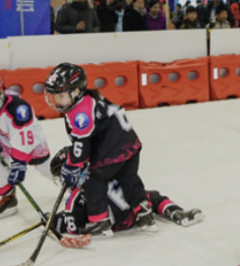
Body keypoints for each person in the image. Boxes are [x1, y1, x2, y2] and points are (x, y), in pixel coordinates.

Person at [44, 63, 153, 237]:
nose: (57, 100)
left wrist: (71, 167)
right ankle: (143, 210)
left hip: (113, 149)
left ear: (76, 91)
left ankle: (99, 220)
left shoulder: (80, 113)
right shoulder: (90, 99)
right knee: (128, 177)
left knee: (92, 178)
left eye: (61, 95)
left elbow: (82, 146)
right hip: (131, 145)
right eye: (55, 95)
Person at [49, 148, 204, 235]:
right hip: (135, 213)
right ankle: (176, 212)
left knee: (76, 214)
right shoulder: (109, 171)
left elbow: (73, 226)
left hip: (115, 225)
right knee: (153, 197)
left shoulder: (75, 199)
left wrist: (54, 221)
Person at [0, 78, 51, 219]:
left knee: (46, 169)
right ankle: (9, 197)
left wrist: (19, 164)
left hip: (30, 139)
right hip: (4, 137)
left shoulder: (18, 109)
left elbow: (23, 140)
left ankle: (76, 187)